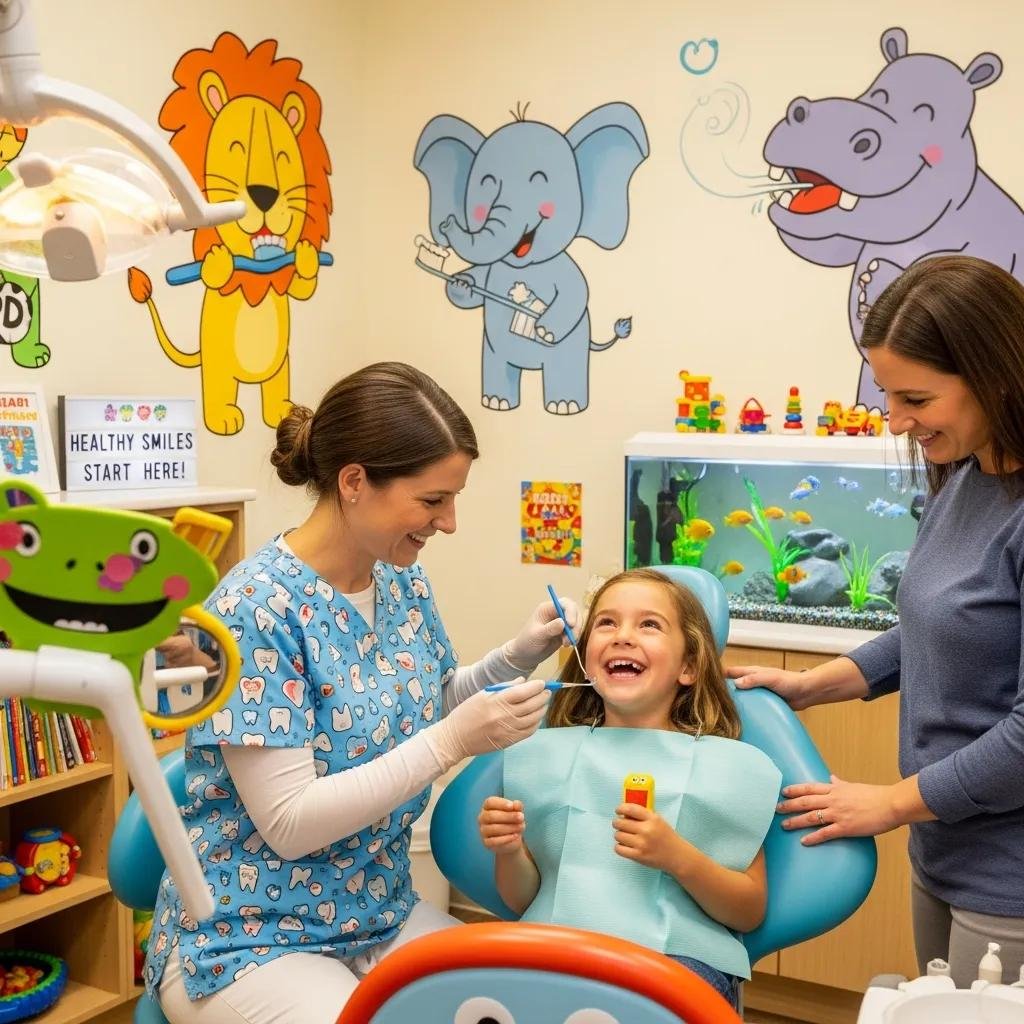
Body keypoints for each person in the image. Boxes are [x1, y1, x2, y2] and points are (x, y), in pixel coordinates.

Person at [145, 361, 580, 1024]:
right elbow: (290, 825)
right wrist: (456, 740)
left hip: (372, 908)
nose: (450, 522)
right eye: (433, 501)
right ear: (354, 482)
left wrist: (511, 658)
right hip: (246, 934)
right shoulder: (255, 610)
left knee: (512, 1006)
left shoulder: (398, 578)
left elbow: (420, 707)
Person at [729, 255, 1024, 988]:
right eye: (888, 395)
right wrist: (815, 685)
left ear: (995, 373)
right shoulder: (965, 476)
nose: (895, 421)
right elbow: (938, 625)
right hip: (944, 847)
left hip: (1010, 875)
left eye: (915, 398)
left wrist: (889, 803)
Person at [479, 568, 779, 1011]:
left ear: (689, 667)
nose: (623, 637)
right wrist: (508, 849)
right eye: (607, 623)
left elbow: (749, 911)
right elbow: (525, 900)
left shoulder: (726, 769)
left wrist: (677, 857)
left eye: (649, 624)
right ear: (584, 658)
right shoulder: (546, 757)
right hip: (560, 950)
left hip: (675, 962)